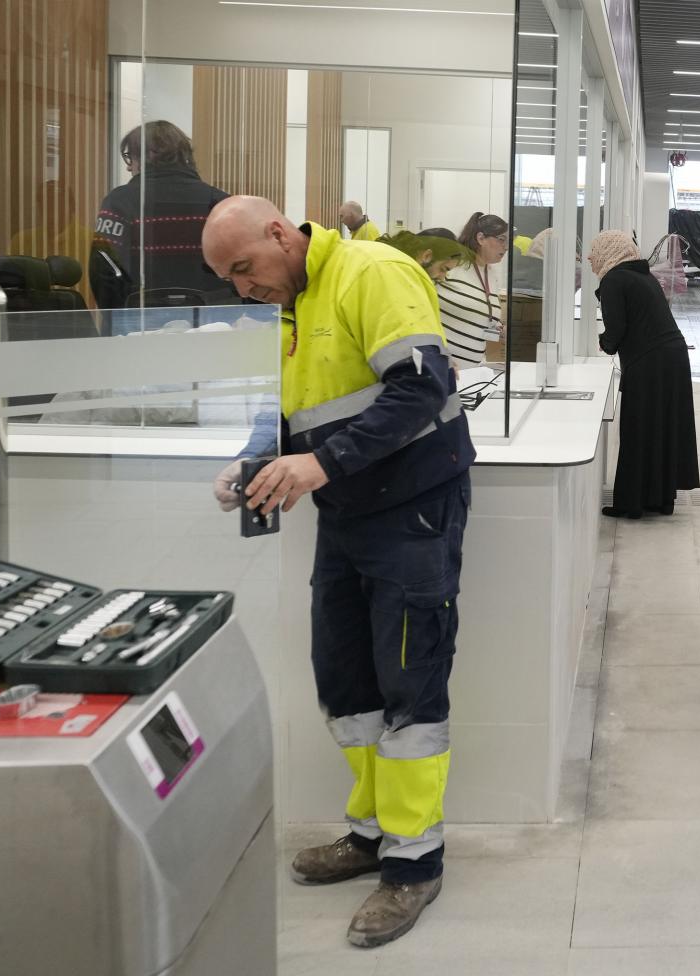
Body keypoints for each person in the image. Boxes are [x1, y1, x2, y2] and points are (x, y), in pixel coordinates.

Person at [202, 196, 472, 949]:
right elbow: (298, 402)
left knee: (410, 682)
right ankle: (374, 832)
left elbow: (424, 389)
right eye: (229, 278)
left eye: (246, 268)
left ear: (281, 233)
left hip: (413, 508)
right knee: (346, 680)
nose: (242, 288)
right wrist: (255, 458)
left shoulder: (372, 273)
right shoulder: (294, 295)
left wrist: (320, 463)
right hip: (348, 510)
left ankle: (415, 863)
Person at [590, 230, 700, 518]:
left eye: (595, 249)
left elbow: (616, 330)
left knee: (638, 429)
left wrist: (603, 344)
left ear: (609, 251)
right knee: (660, 428)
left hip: (649, 361)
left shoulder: (614, 279)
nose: (590, 256)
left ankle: (631, 504)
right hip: (670, 357)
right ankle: (659, 500)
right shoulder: (640, 275)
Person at [90, 121, 230, 327]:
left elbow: (104, 270)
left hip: (140, 324)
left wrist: (118, 320)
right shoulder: (220, 203)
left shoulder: (120, 202)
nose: (129, 166)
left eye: (131, 157)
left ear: (152, 154)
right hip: (211, 323)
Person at [437, 212, 510, 368]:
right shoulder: (451, 266)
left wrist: (498, 328)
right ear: (481, 238)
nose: (506, 247)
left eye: (508, 241)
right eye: (501, 240)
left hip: (472, 373)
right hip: (443, 368)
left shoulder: (491, 273)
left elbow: (479, 312)